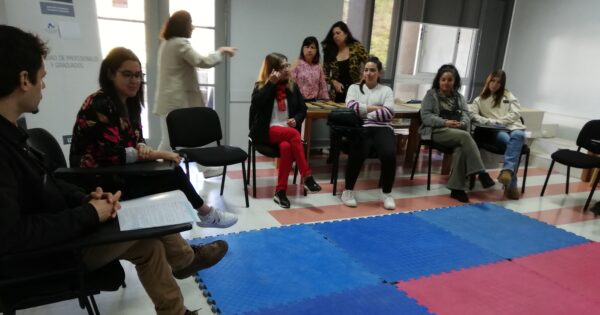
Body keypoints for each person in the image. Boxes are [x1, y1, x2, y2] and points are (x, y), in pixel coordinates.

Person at [0, 24, 224, 315]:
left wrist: (87, 200)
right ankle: (185, 257)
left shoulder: (14, 136)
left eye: (137, 75)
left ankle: (178, 298)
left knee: (151, 244)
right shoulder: (7, 147)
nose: (44, 85)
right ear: (24, 79)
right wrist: (90, 212)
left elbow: (48, 185)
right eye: (42, 77)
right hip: (50, 255)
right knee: (150, 212)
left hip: (70, 224)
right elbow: (11, 236)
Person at [70, 47, 238, 228]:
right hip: (100, 180)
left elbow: (136, 138)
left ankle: (202, 218)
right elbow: (113, 155)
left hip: (120, 170)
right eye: (127, 75)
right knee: (171, 174)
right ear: (110, 74)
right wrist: (159, 154)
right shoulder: (99, 104)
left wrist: (143, 146)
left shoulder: (129, 102)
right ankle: (206, 214)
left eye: (137, 75)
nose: (134, 81)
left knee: (171, 170)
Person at [153, 10, 236, 178]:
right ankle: (154, 171)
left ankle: (204, 169)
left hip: (170, 101)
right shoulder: (179, 43)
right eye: (190, 23)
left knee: (180, 138)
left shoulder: (167, 43)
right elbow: (202, 61)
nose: (193, 27)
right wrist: (221, 51)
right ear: (183, 25)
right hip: (176, 103)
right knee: (171, 141)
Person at [249, 53, 322, 208]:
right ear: (274, 70)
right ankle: (307, 176)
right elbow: (257, 105)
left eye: (288, 65)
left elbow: (302, 109)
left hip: (285, 132)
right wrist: (271, 84)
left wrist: (296, 119)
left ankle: (280, 192)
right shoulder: (261, 85)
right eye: (284, 66)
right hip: (265, 131)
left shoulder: (292, 86)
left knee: (286, 147)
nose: (288, 68)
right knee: (295, 134)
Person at [420, 64, 495, 203]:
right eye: (443, 79)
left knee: (461, 149)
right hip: (437, 131)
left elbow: (466, 114)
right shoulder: (431, 95)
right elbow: (425, 116)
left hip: (457, 133)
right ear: (439, 80)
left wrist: (463, 123)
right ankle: (481, 172)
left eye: (449, 80)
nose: (446, 83)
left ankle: (457, 189)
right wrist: (445, 122)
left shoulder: (460, 97)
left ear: (455, 82)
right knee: (466, 136)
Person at [340, 56, 397, 210]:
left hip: (383, 127)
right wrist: (375, 108)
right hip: (361, 127)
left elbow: (390, 112)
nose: (369, 73)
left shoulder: (386, 90)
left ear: (379, 73)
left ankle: (386, 193)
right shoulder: (354, 88)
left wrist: (363, 110)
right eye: (366, 70)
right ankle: (348, 191)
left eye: (373, 70)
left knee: (389, 154)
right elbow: (351, 107)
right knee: (357, 152)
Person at [470, 70, 527, 200]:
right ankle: (512, 184)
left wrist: (502, 121)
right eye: (493, 81)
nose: (495, 85)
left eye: (499, 82)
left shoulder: (508, 96)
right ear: (488, 81)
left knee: (519, 136)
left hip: (514, 128)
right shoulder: (480, 100)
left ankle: (507, 172)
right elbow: (473, 116)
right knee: (511, 145)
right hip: (498, 131)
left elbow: (516, 113)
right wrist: (492, 121)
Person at [321, 21, 368, 102]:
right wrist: (333, 82)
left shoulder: (356, 46)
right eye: (333, 34)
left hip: (355, 91)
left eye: (338, 33)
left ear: (346, 34)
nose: (335, 36)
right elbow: (324, 74)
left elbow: (369, 62)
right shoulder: (329, 50)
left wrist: (363, 78)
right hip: (337, 93)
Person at [291, 36, 330, 101]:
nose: (309, 50)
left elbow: (322, 86)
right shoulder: (296, 63)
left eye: (312, 47)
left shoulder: (319, 66)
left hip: (314, 102)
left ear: (316, 50)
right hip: (298, 101)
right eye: (307, 47)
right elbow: (291, 84)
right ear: (302, 49)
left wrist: (325, 100)